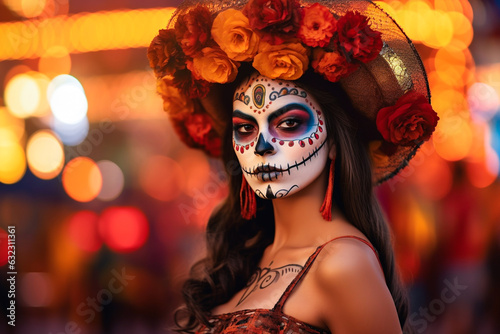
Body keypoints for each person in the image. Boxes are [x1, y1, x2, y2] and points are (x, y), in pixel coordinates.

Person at [147, 0, 439, 332]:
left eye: (288, 124)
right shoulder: (248, 254)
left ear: (333, 143)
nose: (261, 146)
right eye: (245, 128)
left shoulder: (345, 264)